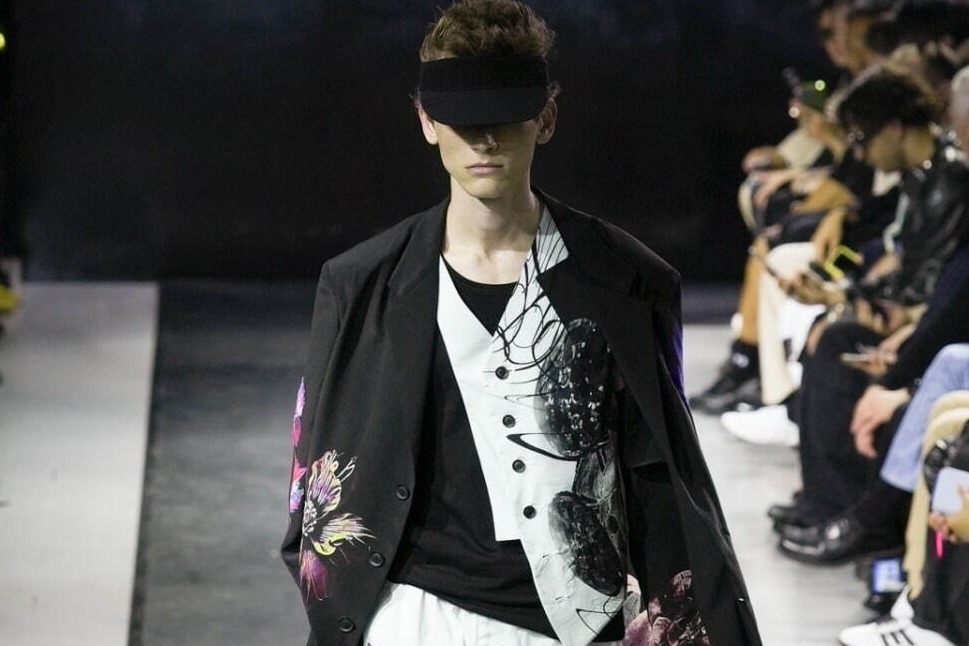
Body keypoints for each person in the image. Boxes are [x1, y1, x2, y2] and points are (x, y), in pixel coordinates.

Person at [279, 2, 761, 646]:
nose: (483, 140)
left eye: (504, 118)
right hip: (413, 611)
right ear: (427, 122)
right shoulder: (360, 284)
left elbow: (661, 472)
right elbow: (317, 467)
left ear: (546, 119)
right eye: (462, 119)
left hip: (574, 621)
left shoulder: (627, 280)